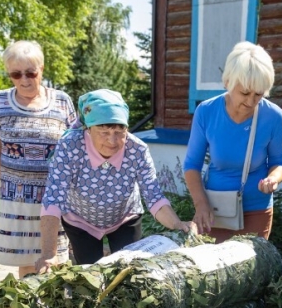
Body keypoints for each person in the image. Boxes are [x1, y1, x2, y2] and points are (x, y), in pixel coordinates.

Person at [35, 89, 196, 270]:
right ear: (88, 129)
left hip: (125, 218)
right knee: (89, 274)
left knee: (129, 272)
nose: (112, 141)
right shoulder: (69, 146)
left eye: (120, 131)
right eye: (103, 131)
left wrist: (177, 224)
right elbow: (53, 199)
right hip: (80, 219)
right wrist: (48, 254)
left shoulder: (137, 150)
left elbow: (154, 196)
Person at [183, 41, 282, 242]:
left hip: (258, 209)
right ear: (228, 82)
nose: (250, 102)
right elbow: (191, 165)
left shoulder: (273, 116)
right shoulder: (206, 112)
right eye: (245, 93)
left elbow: (281, 162)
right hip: (214, 210)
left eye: (258, 94)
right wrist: (201, 204)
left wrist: (273, 179)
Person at [0, 40, 77, 277]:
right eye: (16, 74)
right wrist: (7, 180)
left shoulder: (62, 100)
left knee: (55, 259)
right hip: (16, 196)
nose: (24, 80)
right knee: (26, 261)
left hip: (55, 195)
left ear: (42, 69)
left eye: (31, 72)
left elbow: (75, 145)